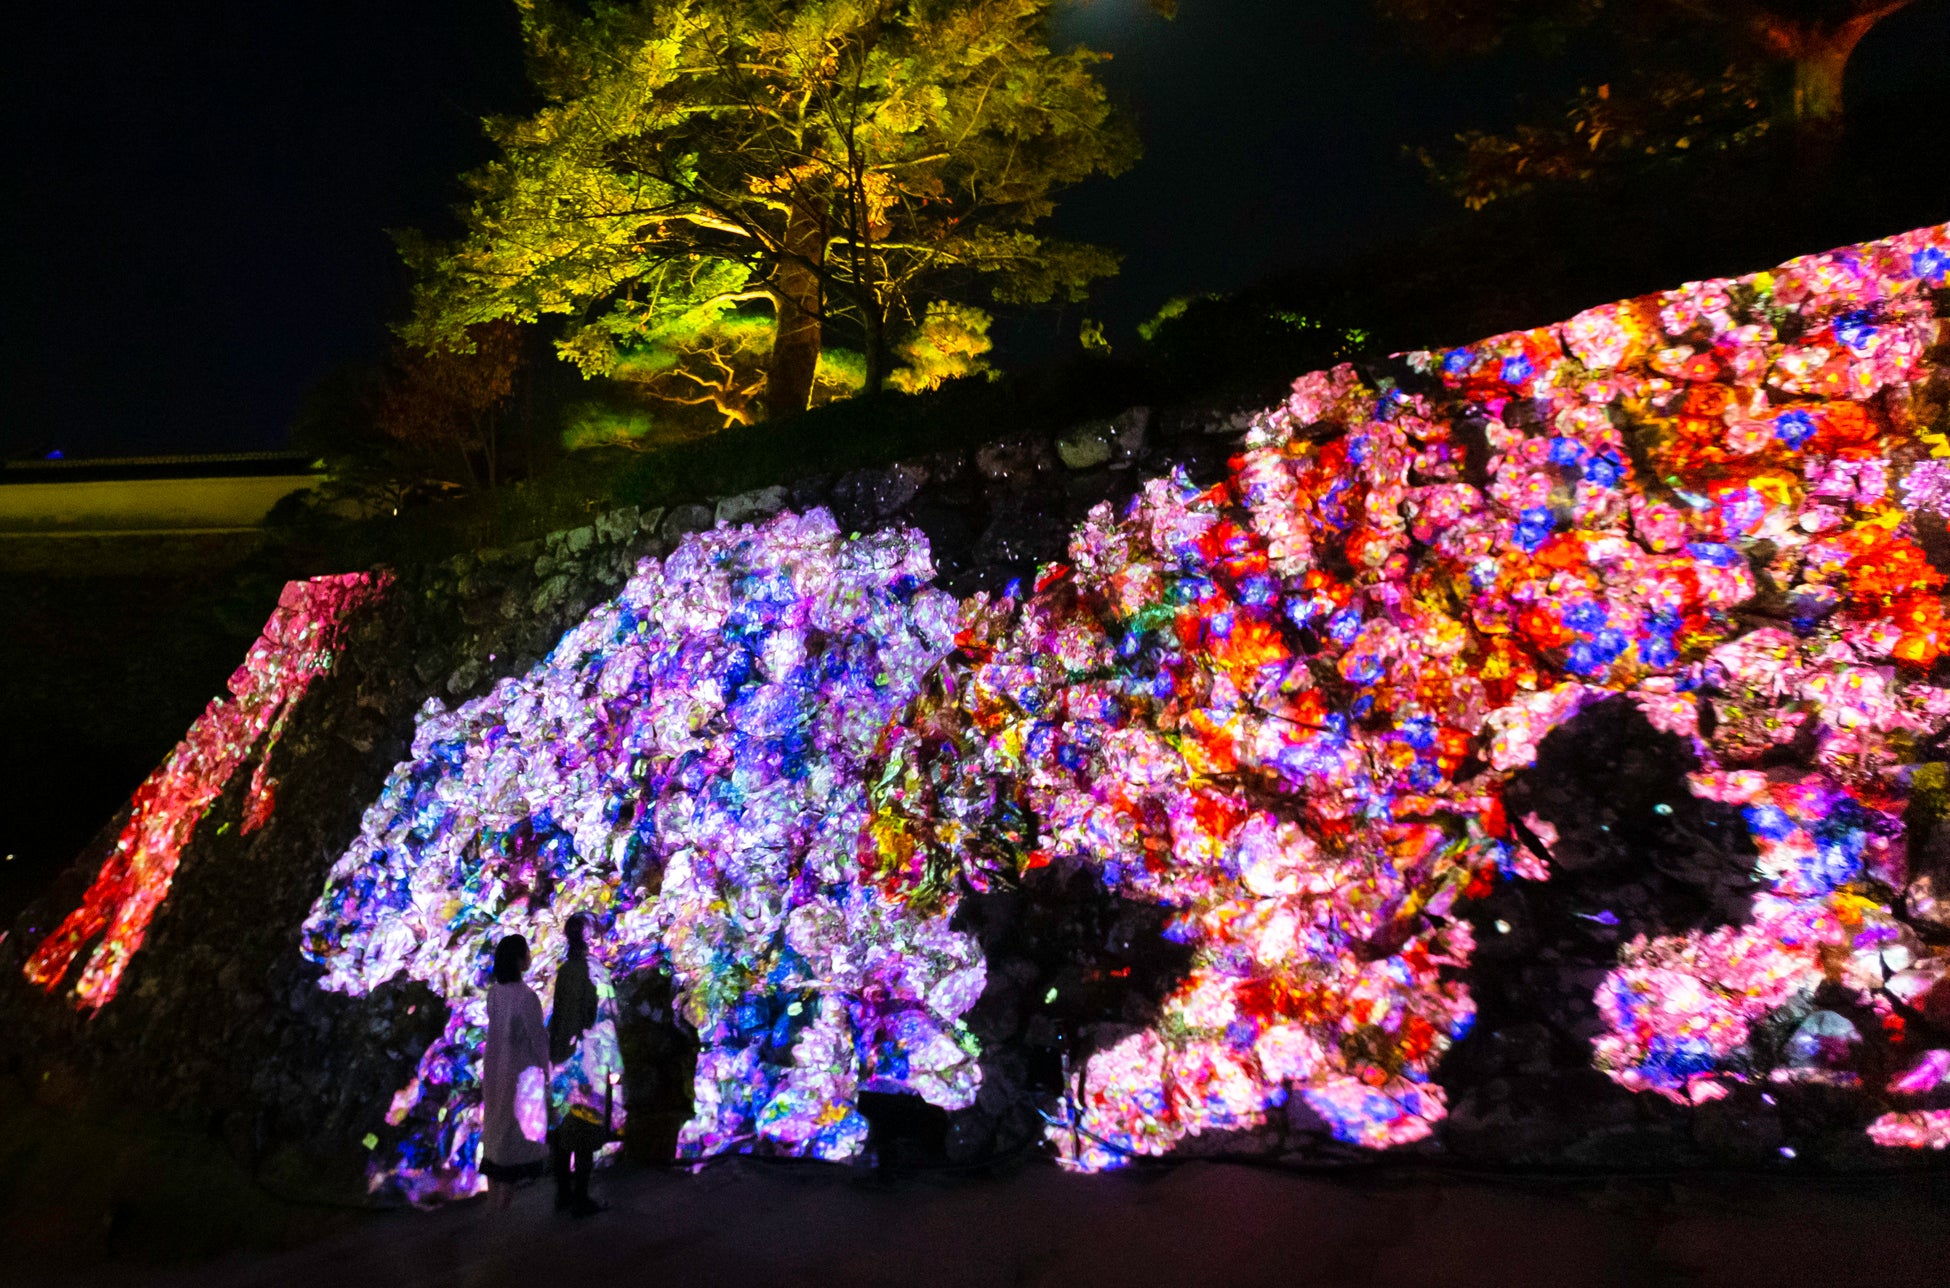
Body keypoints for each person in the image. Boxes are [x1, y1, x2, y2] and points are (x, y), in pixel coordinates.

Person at [549, 913, 620, 1217]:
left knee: (565, 1128)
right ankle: (581, 1196)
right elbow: (607, 1018)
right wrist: (616, 1063)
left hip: (563, 1063)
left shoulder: (564, 971)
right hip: (590, 1061)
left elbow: (557, 1016)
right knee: (586, 1127)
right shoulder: (597, 973)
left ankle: (563, 1193)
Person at [480, 933, 549, 1209]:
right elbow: (538, 1039)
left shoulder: (495, 993)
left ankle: (493, 1204)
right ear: (519, 960)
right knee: (511, 1134)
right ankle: (502, 1216)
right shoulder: (526, 997)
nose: (530, 957)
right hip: (519, 1074)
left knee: (496, 1128)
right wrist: (547, 1073)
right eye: (527, 953)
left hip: (495, 1067)